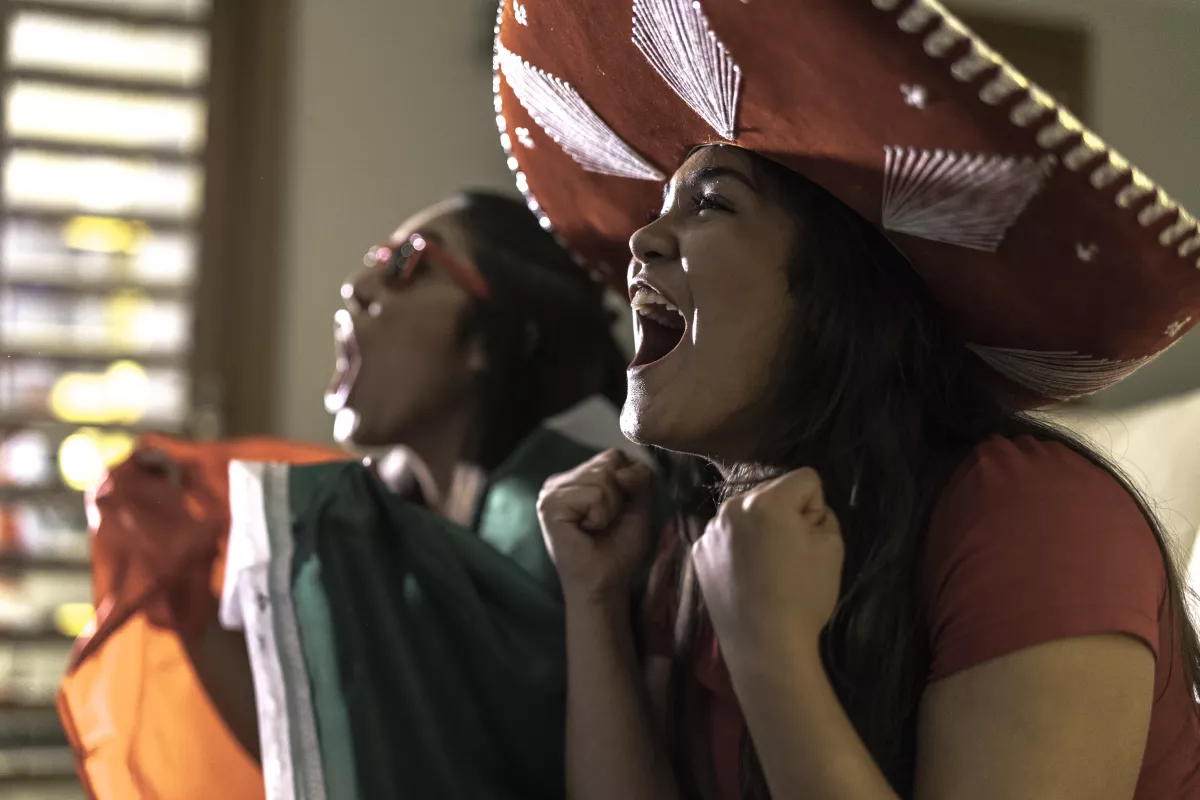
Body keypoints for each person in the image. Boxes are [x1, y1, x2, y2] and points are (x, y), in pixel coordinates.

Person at [493, 0, 1200, 797]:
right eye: (658, 208)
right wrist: (594, 603)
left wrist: (767, 646)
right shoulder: (691, 542)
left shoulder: (1038, 516)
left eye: (711, 203)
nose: (642, 241)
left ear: (843, 290)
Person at [59, 189, 645, 800]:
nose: (357, 284)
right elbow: (318, 739)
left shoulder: (566, 510)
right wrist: (184, 587)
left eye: (407, 262)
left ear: (489, 340)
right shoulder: (397, 520)